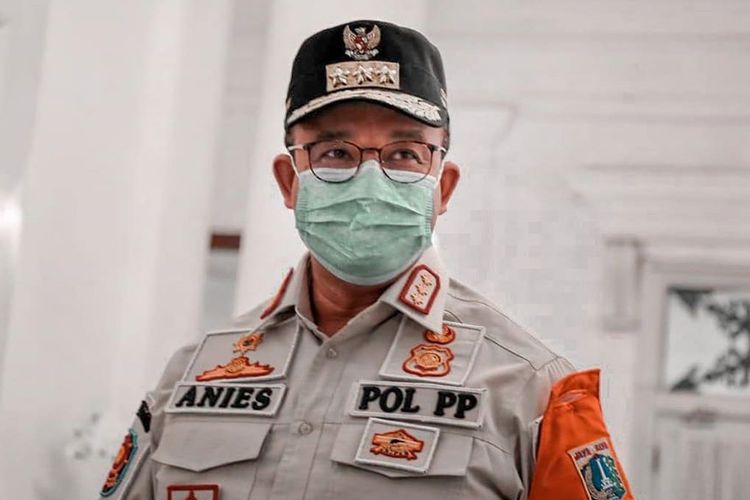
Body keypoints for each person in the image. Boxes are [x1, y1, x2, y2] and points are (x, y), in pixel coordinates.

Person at [98, 19, 632, 500]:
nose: (370, 180)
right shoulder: (194, 374)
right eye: (335, 154)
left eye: (404, 154)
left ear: (442, 187)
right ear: (290, 182)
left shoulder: (531, 387)